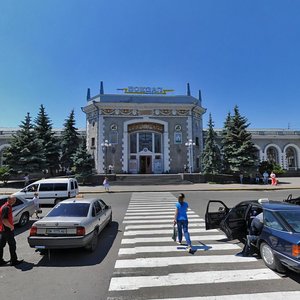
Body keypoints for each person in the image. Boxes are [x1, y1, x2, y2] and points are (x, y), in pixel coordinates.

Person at [0, 195, 24, 266]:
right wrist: (11, 227)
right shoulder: (6, 208)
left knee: (1, 245)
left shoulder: (6, 206)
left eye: (15, 200)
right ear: (9, 200)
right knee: (12, 245)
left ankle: (0, 261)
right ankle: (14, 261)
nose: (15, 201)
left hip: (2, 230)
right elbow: (4, 220)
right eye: (13, 200)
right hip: (7, 230)